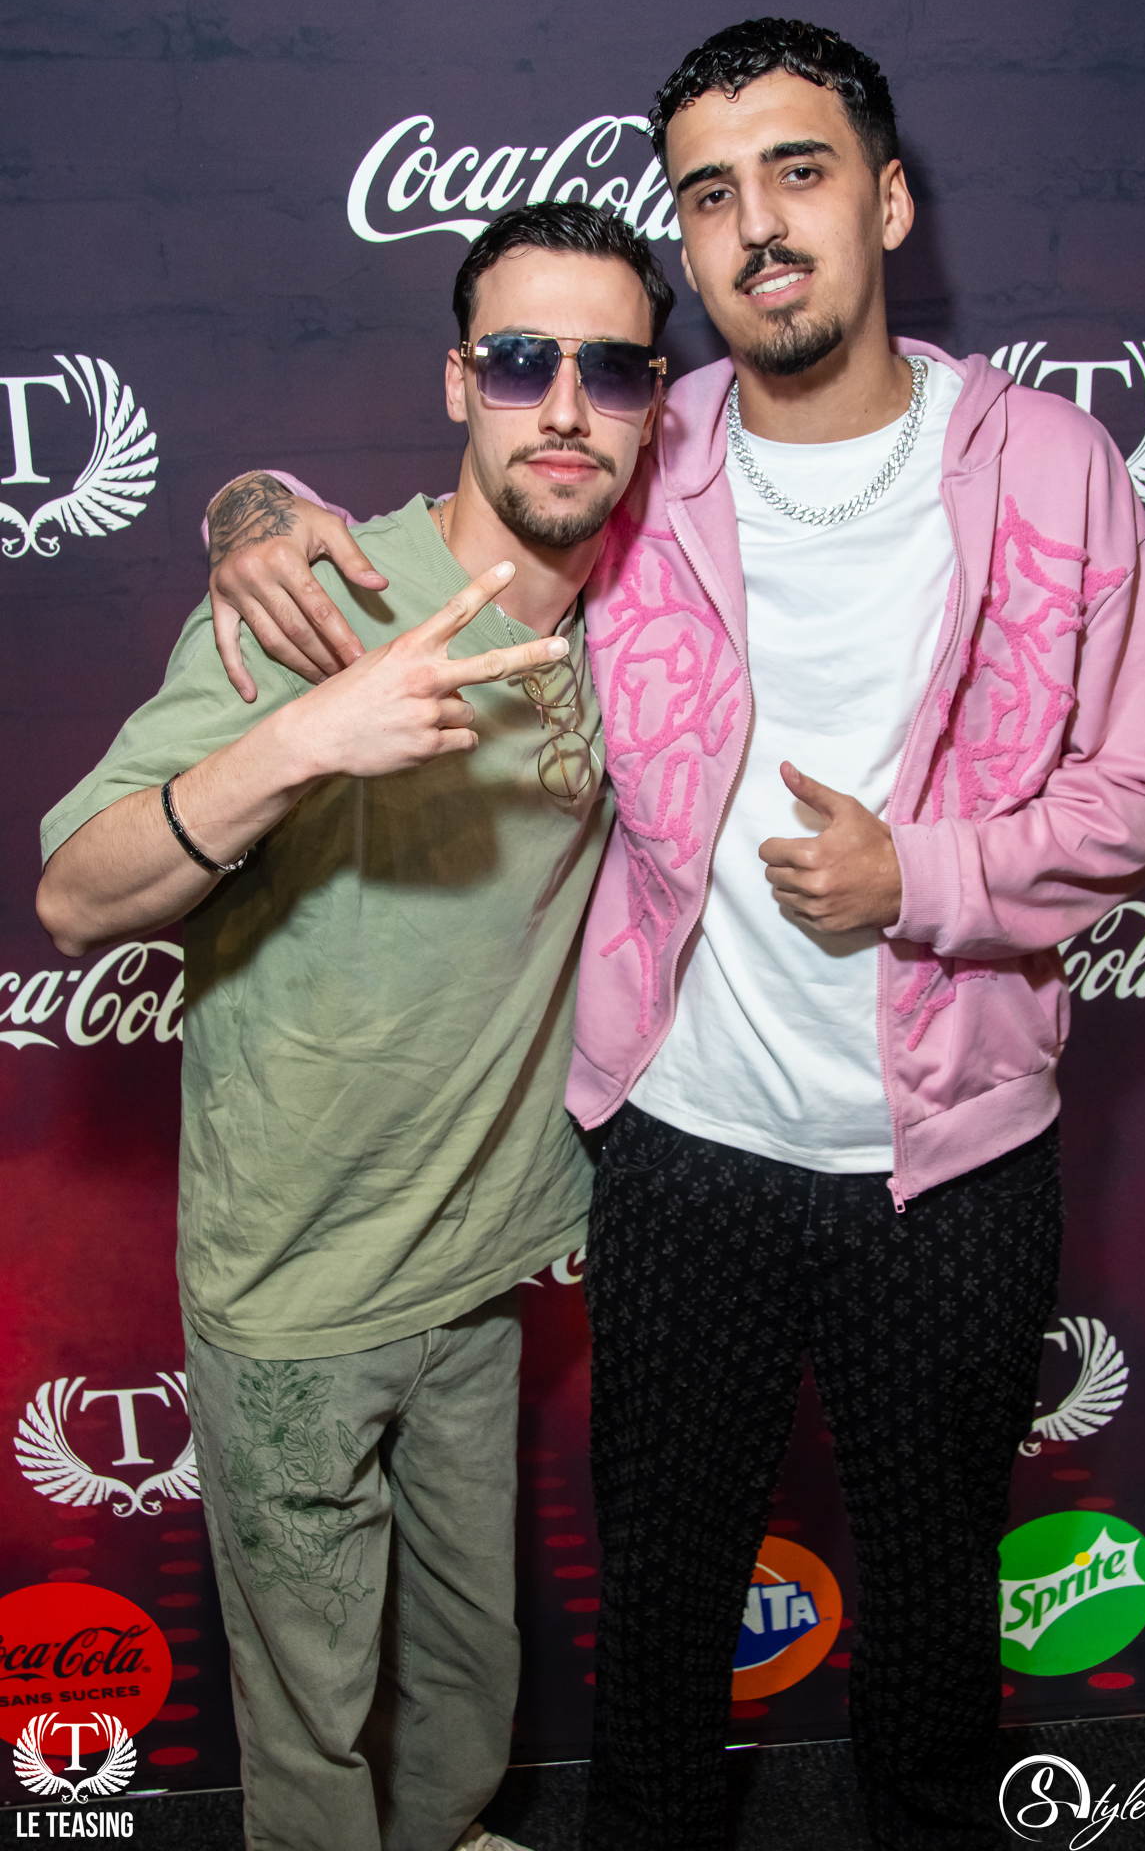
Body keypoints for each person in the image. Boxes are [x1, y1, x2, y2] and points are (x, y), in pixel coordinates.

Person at [199, 19, 1145, 1851]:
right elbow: (454, 512)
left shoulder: (1050, 466)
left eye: (797, 173)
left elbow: (1144, 789)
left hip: (953, 1158)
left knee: (931, 1620)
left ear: (884, 202)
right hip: (680, 1151)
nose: (756, 225)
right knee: (659, 1623)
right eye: (710, 192)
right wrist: (246, 510)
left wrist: (925, 880)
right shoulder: (639, 455)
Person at [35, 202, 674, 1851]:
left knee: (468, 1663)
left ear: (653, 405)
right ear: (457, 379)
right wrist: (304, 737)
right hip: (299, 1285)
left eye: (610, 371)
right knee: (311, 1717)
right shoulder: (315, 598)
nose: (563, 407)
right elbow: (77, 897)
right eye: (520, 360)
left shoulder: (649, 611)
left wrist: (240, 491)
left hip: (484, 1255)